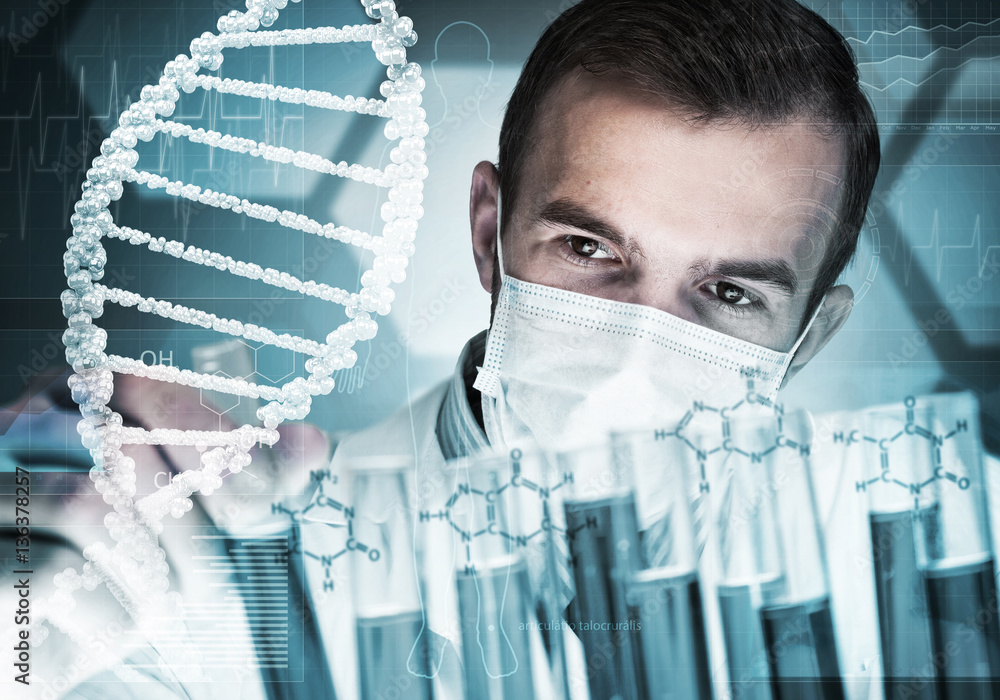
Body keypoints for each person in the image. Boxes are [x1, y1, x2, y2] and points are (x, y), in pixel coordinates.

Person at [2, 0, 884, 698]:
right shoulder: (222, 569)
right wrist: (23, 630)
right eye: (590, 250)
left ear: (808, 339)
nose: (635, 356)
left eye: (730, 294)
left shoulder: (926, 576)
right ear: (488, 232)